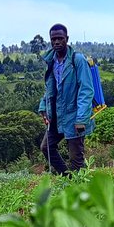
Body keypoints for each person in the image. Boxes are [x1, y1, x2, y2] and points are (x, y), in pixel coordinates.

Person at [38, 23, 95, 173]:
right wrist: (43, 107)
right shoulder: (51, 61)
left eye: (60, 38)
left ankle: (82, 190)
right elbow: (50, 88)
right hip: (57, 115)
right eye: (53, 39)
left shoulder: (78, 60)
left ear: (67, 39)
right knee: (46, 147)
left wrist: (81, 119)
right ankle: (68, 178)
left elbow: (86, 90)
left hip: (74, 115)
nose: (56, 42)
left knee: (76, 160)